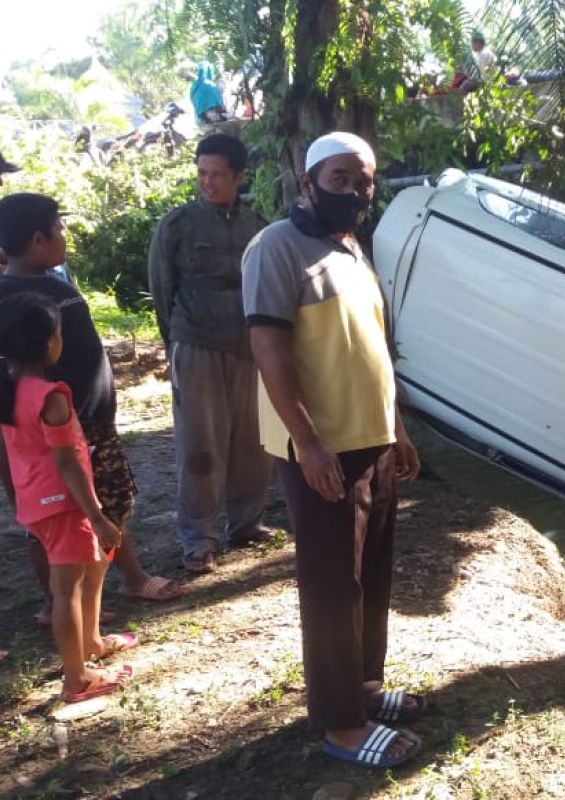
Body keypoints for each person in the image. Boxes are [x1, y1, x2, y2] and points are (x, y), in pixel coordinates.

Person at [242, 132, 424, 769]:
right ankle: (342, 725)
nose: (355, 191)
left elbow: (371, 348)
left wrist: (395, 426)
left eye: (365, 180)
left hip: (370, 438)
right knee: (330, 585)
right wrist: (308, 443)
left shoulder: (352, 249)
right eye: (340, 179)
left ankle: (365, 689)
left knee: (370, 574)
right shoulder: (276, 248)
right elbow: (269, 350)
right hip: (322, 449)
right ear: (308, 183)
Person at [0, 193, 183, 613]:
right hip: (53, 429)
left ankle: (126, 579)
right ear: (37, 240)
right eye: (59, 228)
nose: (65, 236)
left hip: (92, 422)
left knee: (108, 503)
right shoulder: (8, 296)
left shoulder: (54, 282)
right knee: (48, 513)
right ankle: (56, 599)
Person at [0, 292, 138, 702]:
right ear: (49, 343)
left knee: (90, 565)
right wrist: (96, 515)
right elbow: (66, 462)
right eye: (59, 332)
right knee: (68, 589)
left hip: (37, 501)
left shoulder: (9, 390)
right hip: (64, 504)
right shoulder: (50, 396)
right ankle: (76, 679)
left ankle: (91, 643)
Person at [148, 134, 274, 574]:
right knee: (200, 446)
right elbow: (162, 289)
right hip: (196, 344)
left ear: (239, 176)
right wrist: (177, 343)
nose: (208, 182)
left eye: (217, 174)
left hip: (250, 347)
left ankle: (246, 522)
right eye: (202, 173)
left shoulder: (259, 227)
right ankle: (199, 538)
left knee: (253, 443)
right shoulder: (178, 225)